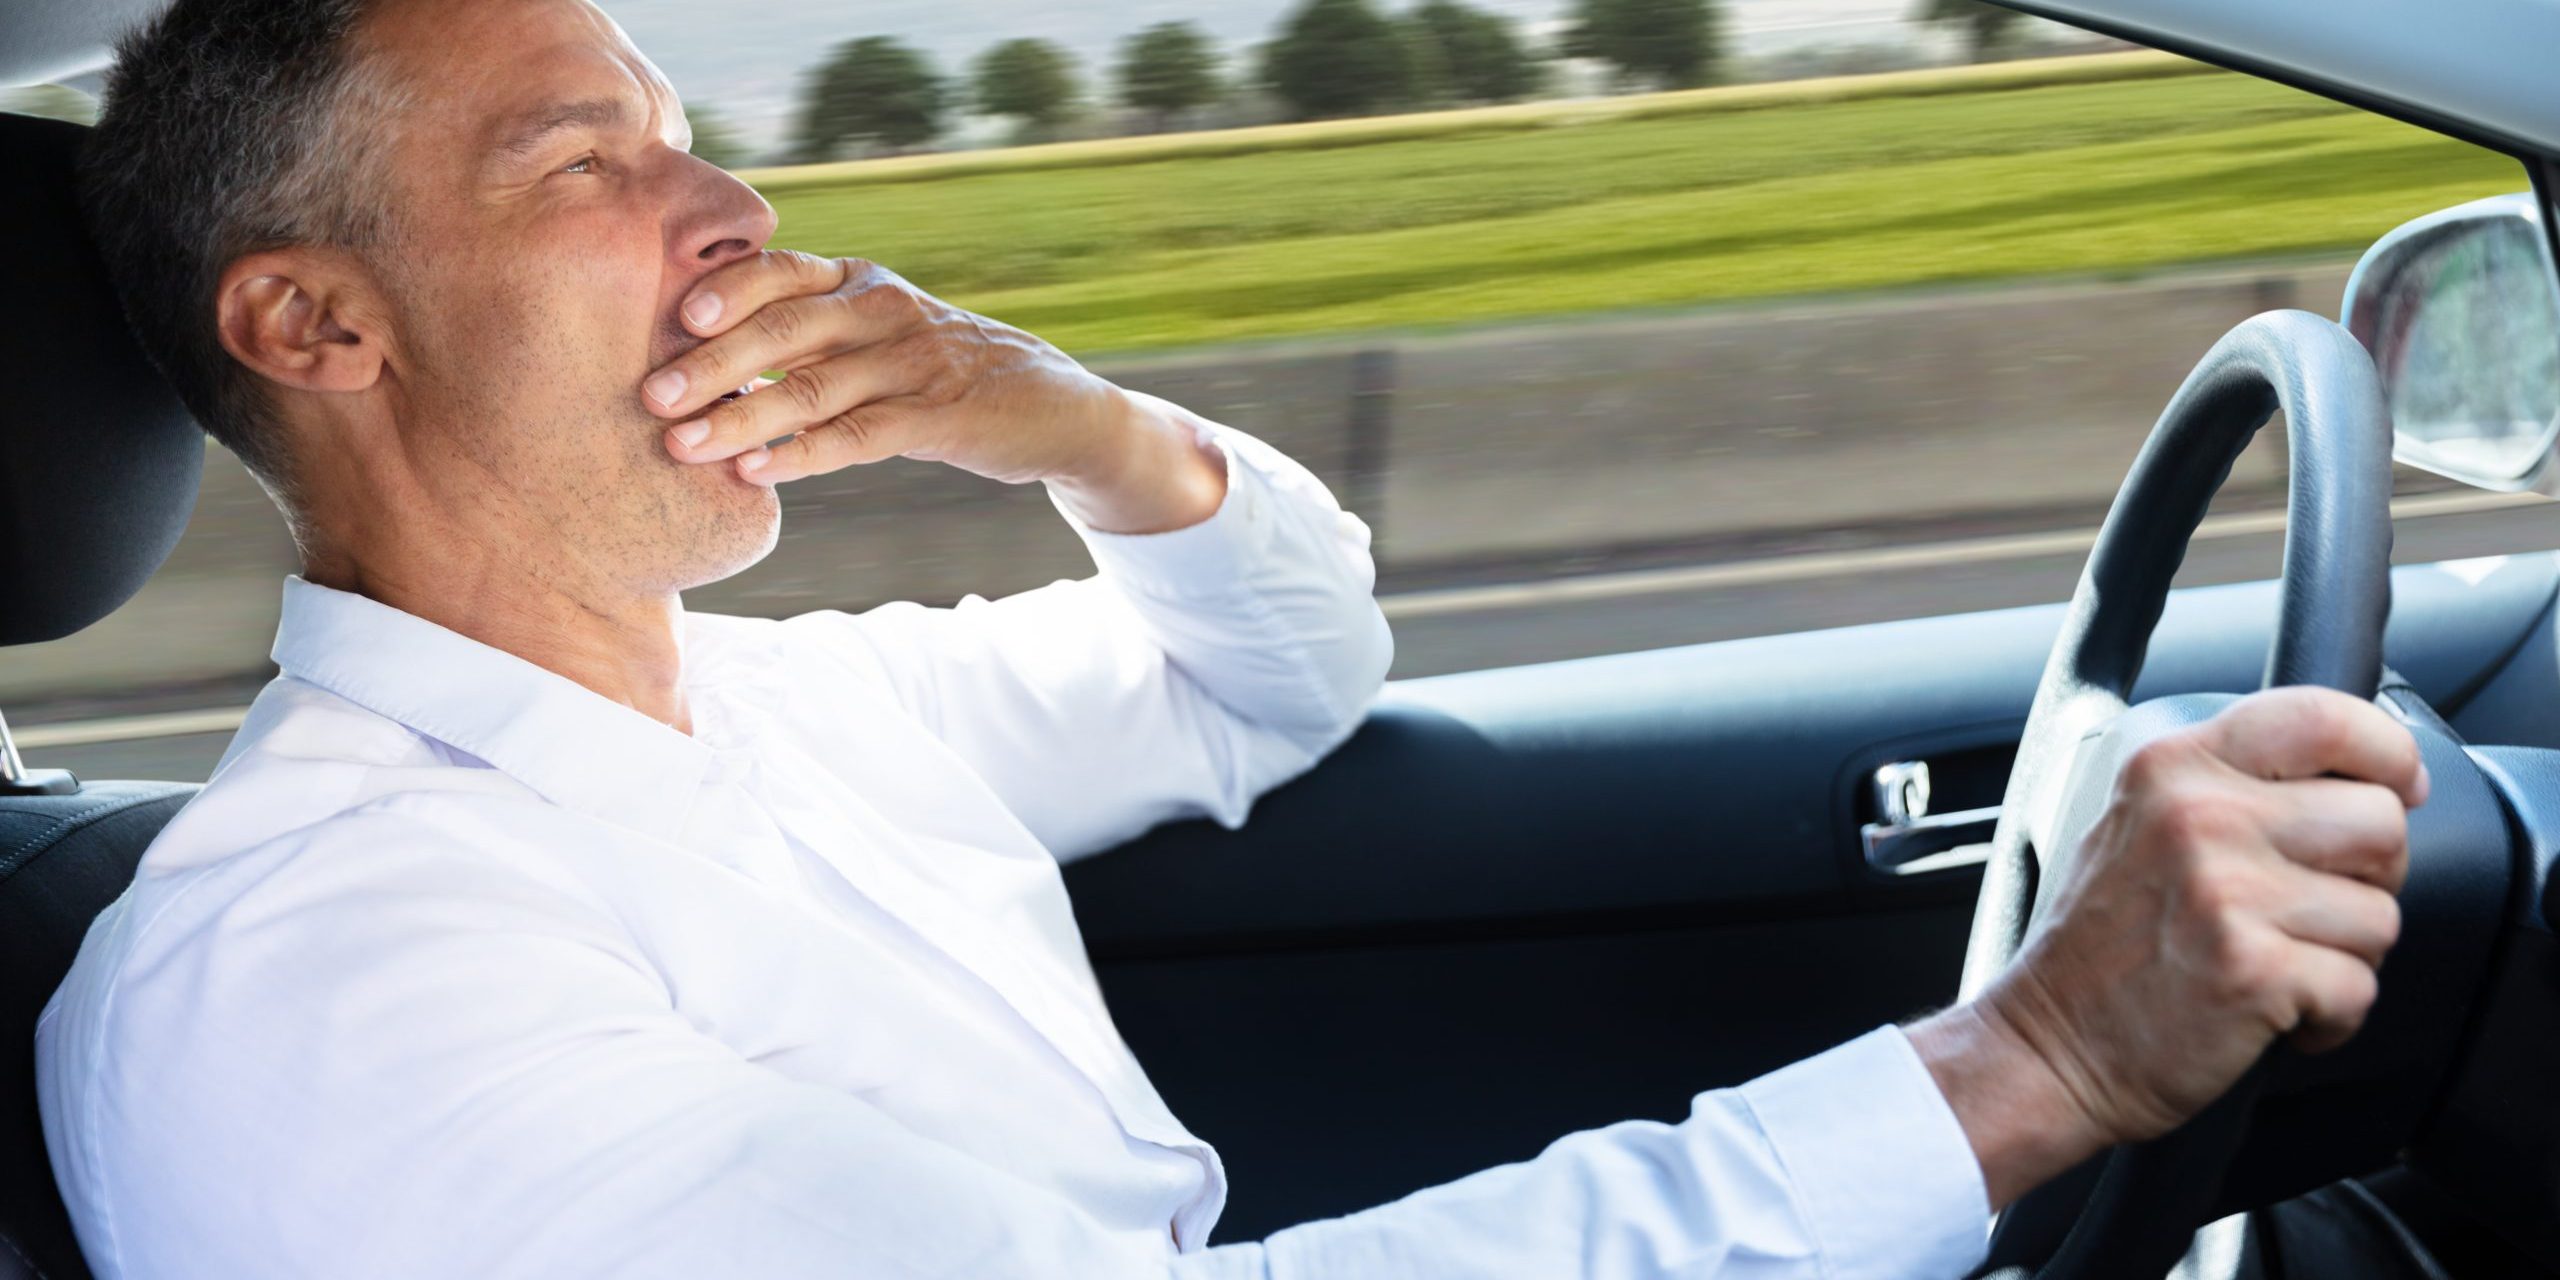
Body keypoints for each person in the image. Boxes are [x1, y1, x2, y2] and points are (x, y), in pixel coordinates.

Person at [34, 0, 2428, 1276]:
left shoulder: (776, 708)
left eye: (685, 128)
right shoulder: (321, 976)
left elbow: (1271, 666)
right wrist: (2028, 1068)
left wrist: (1053, 416)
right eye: (586, 159)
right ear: (315, 326)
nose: (733, 205)